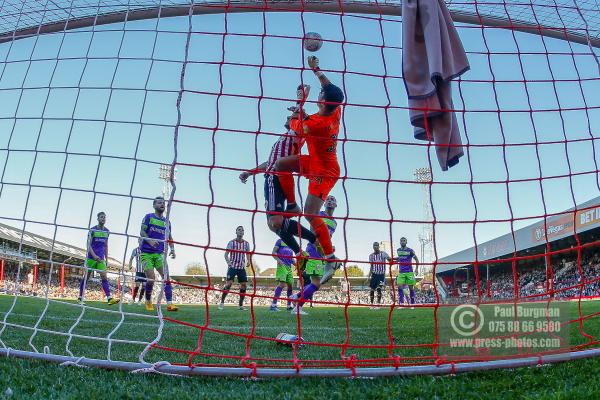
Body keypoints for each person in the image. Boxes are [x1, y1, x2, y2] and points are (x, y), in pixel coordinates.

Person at [273, 55, 345, 287]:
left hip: (324, 170)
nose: (319, 94)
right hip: (316, 160)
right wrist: (316, 70)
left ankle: (331, 258)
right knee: (281, 164)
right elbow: (329, 87)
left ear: (322, 102)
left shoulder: (315, 125)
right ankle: (291, 204)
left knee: (311, 213)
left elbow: (295, 127)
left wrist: (299, 101)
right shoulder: (335, 109)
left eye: (320, 96)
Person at [239, 85, 319, 270]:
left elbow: (300, 119)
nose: (288, 117)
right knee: (274, 224)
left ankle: (312, 240)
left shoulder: (297, 132)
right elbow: (269, 162)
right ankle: (302, 251)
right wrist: (250, 172)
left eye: (292, 117)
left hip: (276, 178)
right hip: (272, 178)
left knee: (275, 222)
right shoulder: (282, 139)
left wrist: (301, 100)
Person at [290, 195, 338, 315]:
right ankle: (298, 307)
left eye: (333, 200)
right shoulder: (318, 214)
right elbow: (313, 232)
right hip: (314, 250)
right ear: (324, 203)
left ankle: (296, 297)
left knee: (315, 283)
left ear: (336, 205)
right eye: (328, 199)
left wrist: (330, 247)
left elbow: (328, 237)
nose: (330, 201)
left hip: (323, 254)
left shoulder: (335, 223)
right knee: (316, 283)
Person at [140, 197, 178, 312]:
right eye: (159, 202)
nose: (162, 204)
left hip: (159, 254)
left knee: (166, 277)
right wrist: (150, 240)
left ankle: (170, 304)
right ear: (154, 205)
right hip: (146, 253)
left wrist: (172, 248)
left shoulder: (167, 222)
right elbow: (142, 232)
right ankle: (147, 300)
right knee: (151, 279)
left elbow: (169, 236)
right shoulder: (148, 217)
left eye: (163, 203)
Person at [78, 212, 118, 305]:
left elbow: (106, 246)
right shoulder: (92, 230)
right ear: (98, 219)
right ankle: (80, 298)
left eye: (104, 217)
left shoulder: (107, 231)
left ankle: (109, 298)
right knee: (86, 277)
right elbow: (88, 245)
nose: (103, 219)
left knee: (104, 276)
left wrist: (106, 259)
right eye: (101, 217)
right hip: (91, 258)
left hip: (101, 259)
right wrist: (94, 255)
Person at [219, 226, 251, 310]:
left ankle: (240, 305)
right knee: (229, 284)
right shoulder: (231, 243)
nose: (240, 231)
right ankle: (222, 302)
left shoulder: (246, 243)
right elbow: (226, 254)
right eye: (239, 230)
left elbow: (248, 253)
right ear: (236, 232)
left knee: (244, 285)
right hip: (232, 267)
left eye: (242, 230)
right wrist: (229, 263)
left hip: (241, 268)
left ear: (243, 233)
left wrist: (248, 260)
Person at [269, 239, 294, 311]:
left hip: (289, 267)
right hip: (282, 265)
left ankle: (289, 306)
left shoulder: (291, 243)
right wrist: (278, 260)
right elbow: (273, 252)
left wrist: (297, 265)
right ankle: (273, 305)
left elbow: (291, 259)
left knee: (290, 286)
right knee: (282, 285)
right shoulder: (279, 241)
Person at [396, 237, 419, 308]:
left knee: (411, 288)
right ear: (400, 242)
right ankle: (401, 304)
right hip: (401, 272)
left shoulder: (410, 250)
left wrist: (416, 269)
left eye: (404, 241)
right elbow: (400, 259)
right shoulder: (398, 250)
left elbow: (417, 259)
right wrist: (392, 260)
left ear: (406, 242)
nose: (402, 242)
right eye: (401, 241)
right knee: (399, 286)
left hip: (409, 271)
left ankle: (412, 304)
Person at [367, 242, 391, 309]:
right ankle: (371, 304)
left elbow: (390, 259)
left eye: (377, 245)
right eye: (374, 245)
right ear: (373, 247)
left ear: (378, 246)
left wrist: (392, 259)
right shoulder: (371, 256)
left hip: (381, 275)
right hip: (374, 275)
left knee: (379, 289)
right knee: (372, 290)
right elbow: (371, 267)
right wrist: (368, 277)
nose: (375, 247)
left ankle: (378, 304)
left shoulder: (383, 254)